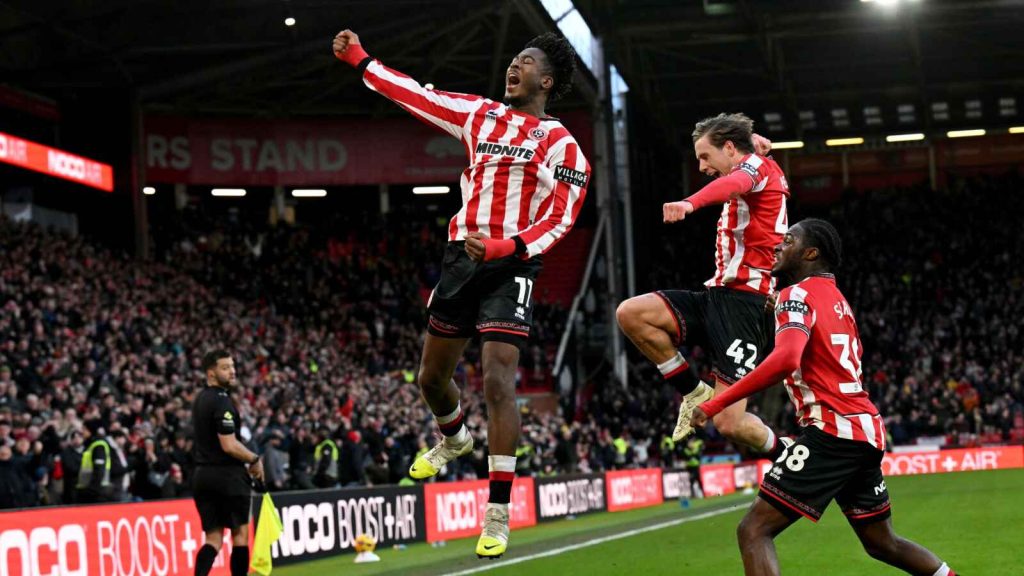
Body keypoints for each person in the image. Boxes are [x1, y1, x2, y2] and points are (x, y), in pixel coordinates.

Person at [333, 28, 590, 559]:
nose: (513, 67)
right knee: (431, 378)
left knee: (498, 379)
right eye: (512, 59)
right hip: (460, 260)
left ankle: (496, 515)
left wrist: (508, 247)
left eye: (526, 61)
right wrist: (361, 60)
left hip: (511, 263)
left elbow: (561, 217)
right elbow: (417, 95)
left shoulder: (561, 145)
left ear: (547, 79)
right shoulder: (480, 114)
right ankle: (453, 437)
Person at [691, 219, 956, 576]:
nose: (778, 245)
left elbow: (786, 360)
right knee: (882, 543)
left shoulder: (795, 296)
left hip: (833, 431)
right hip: (864, 430)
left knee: (753, 530)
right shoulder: (838, 302)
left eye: (789, 240)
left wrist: (715, 402)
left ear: (810, 253)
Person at [616, 113, 788, 459]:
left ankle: (787, 456)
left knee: (729, 424)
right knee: (631, 314)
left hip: (746, 306)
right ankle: (693, 391)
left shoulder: (755, 169)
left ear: (728, 148)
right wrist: (754, 141)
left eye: (705, 156)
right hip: (716, 295)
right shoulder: (755, 161)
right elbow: (739, 167)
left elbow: (733, 183)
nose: (702, 166)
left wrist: (689, 203)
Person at [190, 350, 264, 576]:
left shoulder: (200, 399)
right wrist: (254, 459)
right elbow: (229, 445)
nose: (232, 371)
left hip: (202, 476)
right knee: (240, 537)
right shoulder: (222, 402)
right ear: (211, 374)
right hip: (228, 477)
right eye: (225, 367)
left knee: (213, 539)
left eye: (232, 366)